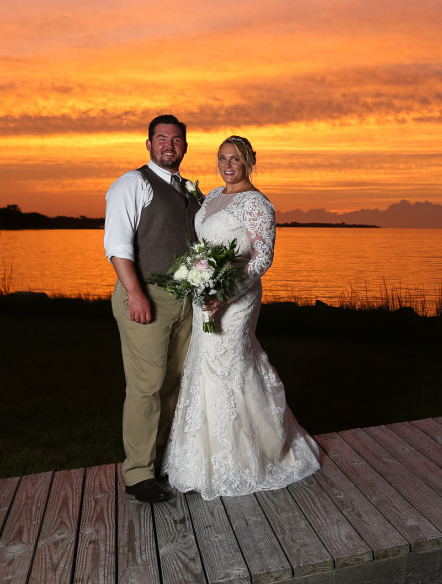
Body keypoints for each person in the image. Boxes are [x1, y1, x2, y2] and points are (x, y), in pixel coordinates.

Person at [163, 135, 320, 499]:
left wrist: (225, 293)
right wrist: (199, 278)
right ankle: (200, 461)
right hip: (207, 293)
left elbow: (261, 259)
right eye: (221, 158)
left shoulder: (258, 204)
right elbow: (203, 247)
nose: (227, 165)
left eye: (234, 159)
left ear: (249, 161)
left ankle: (247, 460)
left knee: (230, 363)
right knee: (204, 365)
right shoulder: (214, 196)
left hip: (238, 297)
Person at [104, 114, 203, 503]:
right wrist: (135, 292)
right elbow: (117, 245)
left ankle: (162, 461)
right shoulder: (132, 183)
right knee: (145, 386)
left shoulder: (190, 191)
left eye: (176, 140)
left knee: (173, 385)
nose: (169, 145)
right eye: (161, 138)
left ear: (184, 146)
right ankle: (138, 474)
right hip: (147, 294)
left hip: (185, 299)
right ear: (148, 144)